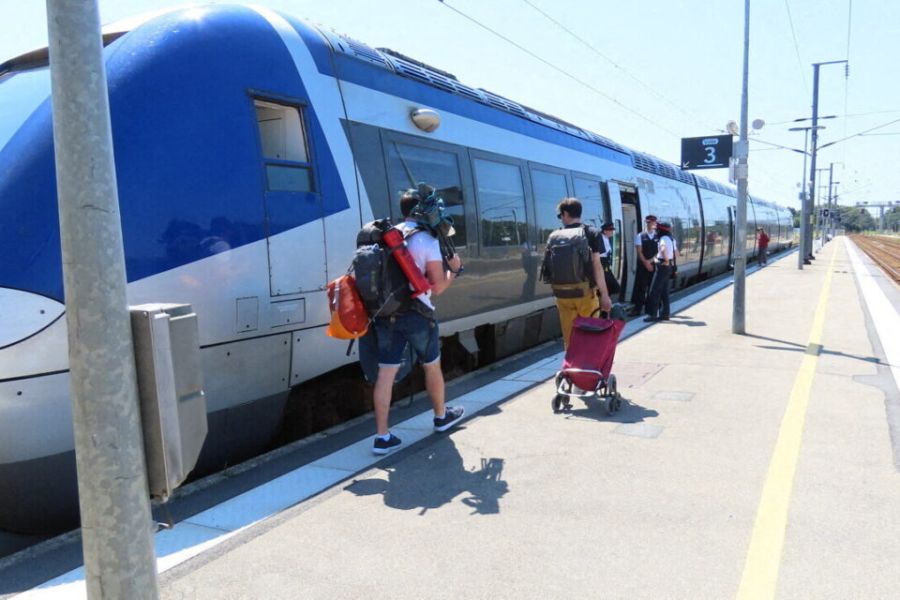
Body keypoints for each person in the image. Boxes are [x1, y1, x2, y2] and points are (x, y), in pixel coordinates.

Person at [370, 188, 465, 454]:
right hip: (418, 315)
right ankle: (441, 417)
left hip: (387, 314)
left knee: (385, 374)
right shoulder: (426, 239)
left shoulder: (387, 236)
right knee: (431, 366)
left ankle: (382, 437)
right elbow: (437, 287)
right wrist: (454, 271)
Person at [543, 197, 612, 348]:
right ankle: (589, 367)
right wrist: (605, 295)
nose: (561, 219)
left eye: (560, 215)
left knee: (570, 336)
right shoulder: (591, 233)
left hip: (562, 295)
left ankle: (571, 367)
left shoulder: (555, 236)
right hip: (585, 293)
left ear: (566, 214)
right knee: (589, 333)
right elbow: (597, 266)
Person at [644, 222, 675, 322]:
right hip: (668, 266)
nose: (656, 230)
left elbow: (662, 248)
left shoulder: (662, 239)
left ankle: (652, 315)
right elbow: (677, 253)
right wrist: (668, 260)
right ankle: (665, 314)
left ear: (660, 230)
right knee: (664, 291)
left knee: (654, 290)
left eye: (657, 229)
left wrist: (665, 260)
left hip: (662, 266)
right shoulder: (671, 239)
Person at [628, 215, 658, 316]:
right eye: (649, 222)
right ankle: (637, 309)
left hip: (654, 265)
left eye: (652, 222)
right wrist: (646, 263)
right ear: (646, 223)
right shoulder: (640, 236)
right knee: (641, 288)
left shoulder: (657, 236)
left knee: (652, 288)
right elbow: (639, 251)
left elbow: (659, 252)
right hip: (642, 266)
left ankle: (649, 308)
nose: (651, 224)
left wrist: (650, 261)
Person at [598, 222, 621, 297]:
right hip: (602, 264)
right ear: (605, 231)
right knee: (610, 285)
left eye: (612, 230)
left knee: (610, 286)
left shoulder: (605, 238)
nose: (612, 232)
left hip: (605, 264)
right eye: (610, 230)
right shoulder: (601, 238)